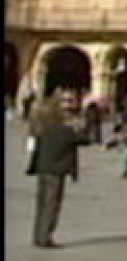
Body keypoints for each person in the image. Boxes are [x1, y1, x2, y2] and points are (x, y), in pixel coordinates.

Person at [28, 99, 84, 248]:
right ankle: (45, 237)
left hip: (43, 169)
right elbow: (84, 139)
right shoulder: (66, 131)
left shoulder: (44, 130)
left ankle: (38, 236)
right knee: (51, 205)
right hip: (56, 171)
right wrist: (78, 126)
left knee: (41, 205)